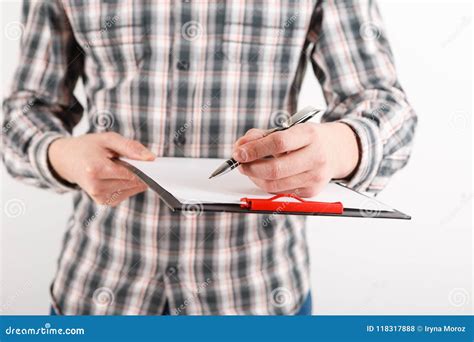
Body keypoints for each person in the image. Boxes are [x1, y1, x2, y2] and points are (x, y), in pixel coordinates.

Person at [2, 0, 416, 315]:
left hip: (257, 296)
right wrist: (61, 155)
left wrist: (339, 146)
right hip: (99, 291)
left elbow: (385, 105)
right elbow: (23, 110)